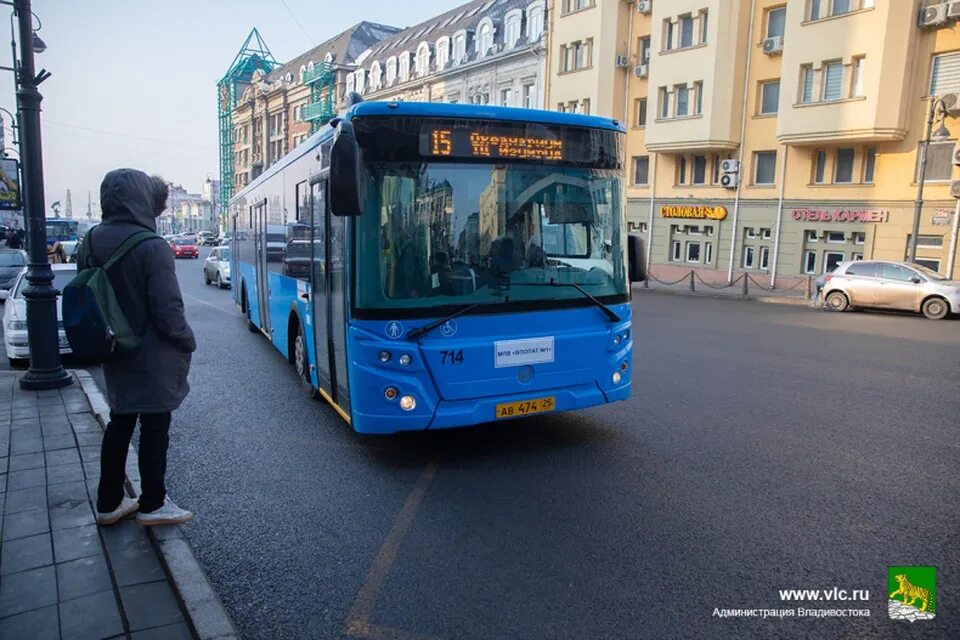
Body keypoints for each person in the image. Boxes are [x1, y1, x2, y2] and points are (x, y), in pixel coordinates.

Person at [77, 168, 196, 526]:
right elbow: (167, 309)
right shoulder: (151, 245)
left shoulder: (90, 240)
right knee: (156, 428)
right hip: (152, 355)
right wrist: (187, 339)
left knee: (120, 423)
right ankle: (153, 504)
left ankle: (109, 501)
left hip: (113, 348)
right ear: (142, 199)